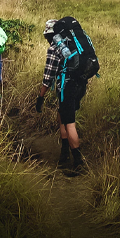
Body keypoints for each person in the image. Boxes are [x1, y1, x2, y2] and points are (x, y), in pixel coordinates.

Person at [35, 19, 88, 174]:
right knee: (62, 115)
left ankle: (78, 161)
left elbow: (48, 76)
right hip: (80, 84)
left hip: (67, 87)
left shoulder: (55, 48)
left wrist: (40, 97)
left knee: (69, 122)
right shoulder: (72, 43)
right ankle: (64, 152)